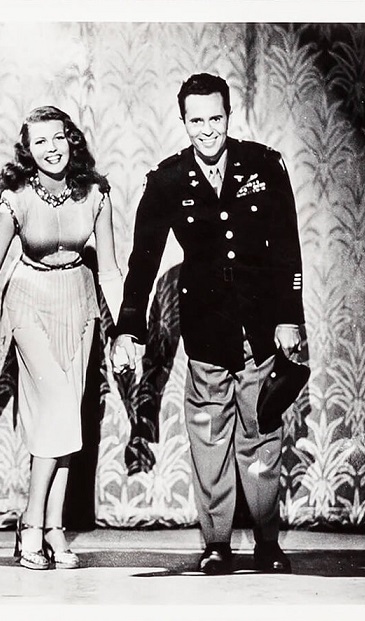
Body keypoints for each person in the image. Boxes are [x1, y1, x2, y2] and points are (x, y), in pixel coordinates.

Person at [112, 73, 305, 575]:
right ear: (183, 121)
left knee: (261, 436)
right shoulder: (167, 180)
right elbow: (143, 261)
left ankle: (267, 543)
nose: (207, 130)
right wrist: (128, 328)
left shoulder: (264, 165)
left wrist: (290, 318)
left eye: (215, 118)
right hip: (205, 330)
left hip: (261, 328)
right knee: (210, 439)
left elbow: (287, 248)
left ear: (228, 115)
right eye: (196, 120)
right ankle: (217, 544)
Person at [0, 106, 122, 570]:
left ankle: (53, 528)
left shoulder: (96, 194)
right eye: (40, 142)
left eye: (58, 138)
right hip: (28, 301)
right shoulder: (16, 198)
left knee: (66, 418)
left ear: (71, 140)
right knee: (58, 407)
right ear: (27, 151)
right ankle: (32, 523)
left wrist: (127, 332)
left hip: (78, 301)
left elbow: (110, 272)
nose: (51, 148)